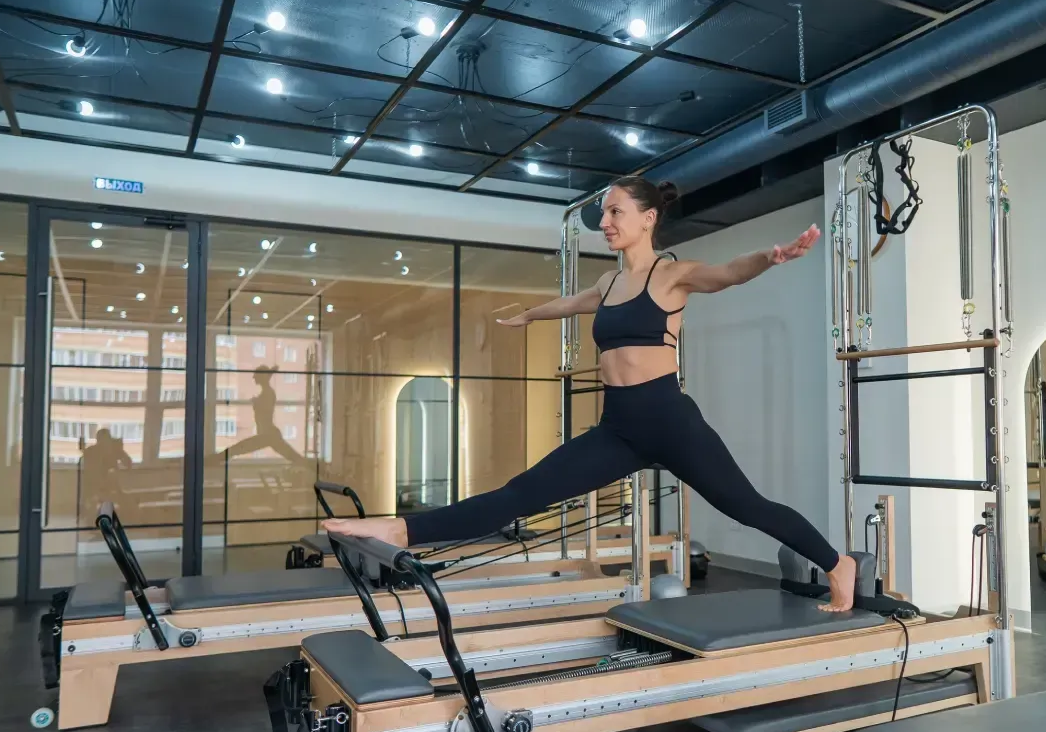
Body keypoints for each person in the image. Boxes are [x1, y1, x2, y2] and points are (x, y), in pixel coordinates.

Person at [322, 176, 856, 610]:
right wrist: (529, 315)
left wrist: (770, 256)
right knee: (519, 494)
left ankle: (837, 564)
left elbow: (727, 273)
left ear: (648, 218)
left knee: (749, 507)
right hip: (618, 428)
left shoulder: (671, 275)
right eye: (604, 213)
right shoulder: (607, 285)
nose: (605, 222)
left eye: (615, 212)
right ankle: (401, 528)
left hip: (670, 420)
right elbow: (571, 303)